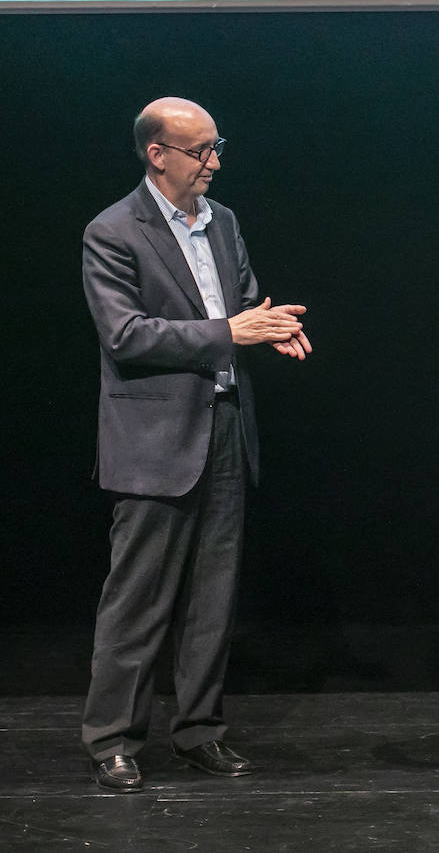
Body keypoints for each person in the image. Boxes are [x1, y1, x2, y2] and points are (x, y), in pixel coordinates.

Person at [81, 97, 312, 793]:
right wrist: (230, 334)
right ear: (158, 154)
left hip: (225, 426)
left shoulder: (224, 222)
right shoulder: (114, 231)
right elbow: (126, 334)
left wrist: (268, 324)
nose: (214, 162)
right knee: (139, 598)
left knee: (214, 597)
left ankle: (199, 731)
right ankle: (113, 739)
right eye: (201, 150)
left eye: (217, 148)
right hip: (154, 437)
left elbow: (239, 299)